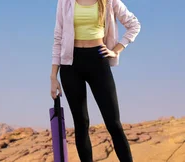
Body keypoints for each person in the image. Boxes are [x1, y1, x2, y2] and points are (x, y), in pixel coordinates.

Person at [49, 0, 140, 161]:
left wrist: (116, 50)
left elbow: (134, 25)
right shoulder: (65, 2)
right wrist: (53, 76)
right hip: (70, 65)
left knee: (114, 123)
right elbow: (58, 36)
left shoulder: (110, 1)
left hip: (98, 62)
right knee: (81, 123)